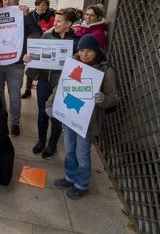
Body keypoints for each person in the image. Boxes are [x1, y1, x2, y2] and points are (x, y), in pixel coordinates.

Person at [47, 34, 118, 199]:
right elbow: (61, 87)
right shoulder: (74, 63)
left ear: (96, 51)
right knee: (70, 149)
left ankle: (82, 183)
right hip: (69, 116)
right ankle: (70, 176)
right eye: (81, 50)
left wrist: (102, 99)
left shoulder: (106, 70)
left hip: (88, 121)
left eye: (89, 51)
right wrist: (50, 104)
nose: (84, 55)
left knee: (82, 153)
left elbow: (112, 97)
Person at [23, 8, 79, 159]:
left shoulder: (75, 42)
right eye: (55, 20)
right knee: (42, 113)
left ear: (69, 24)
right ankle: (41, 141)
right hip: (44, 80)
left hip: (61, 83)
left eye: (59, 21)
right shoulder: (47, 35)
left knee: (56, 115)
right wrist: (29, 58)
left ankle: (52, 145)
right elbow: (37, 54)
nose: (55, 23)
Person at [0, 0, 41, 136]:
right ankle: (1, 119)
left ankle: (14, 122)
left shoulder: (23, 14)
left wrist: (27, 16)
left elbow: (37, 33)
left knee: (14, 96)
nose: (8, 1)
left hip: (16, 63)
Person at [22, 0, 55, 99]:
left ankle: (42, 89)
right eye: (39, 4)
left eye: (44, 5)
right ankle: (28, 89)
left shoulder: (51, 18)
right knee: (30, 66)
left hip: (44, 46)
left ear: (47, 7)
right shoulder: (30, 15)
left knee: (40, 69)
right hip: (30, 44)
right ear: (36, 5)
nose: (41, 7)